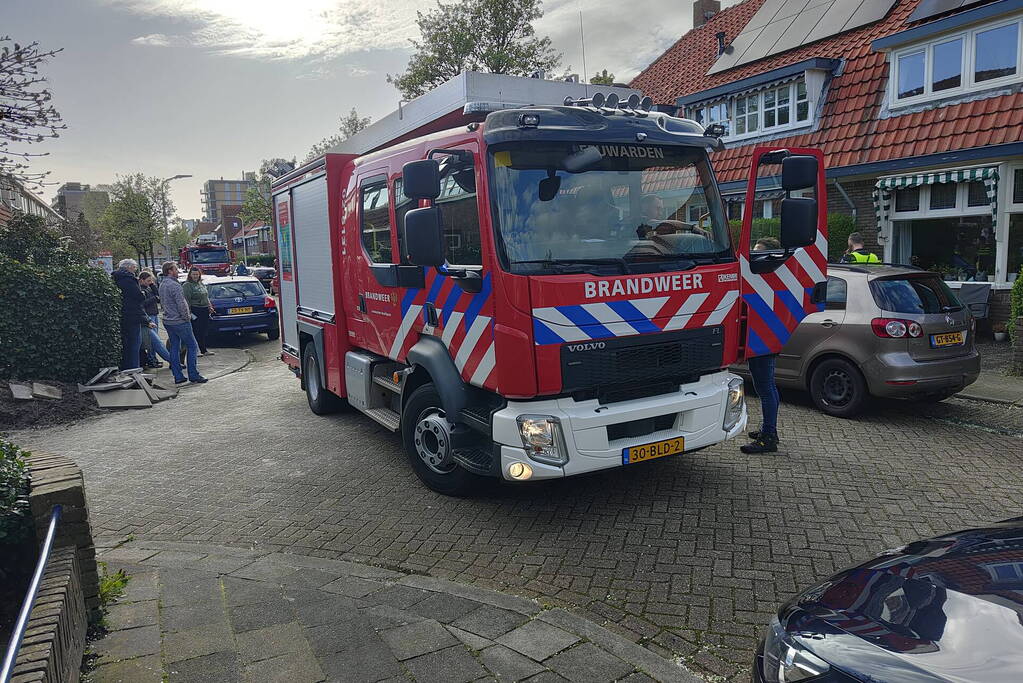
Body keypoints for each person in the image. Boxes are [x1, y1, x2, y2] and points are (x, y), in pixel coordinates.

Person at [742, 239, 781, 454]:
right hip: (764, 338)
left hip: (763, 340)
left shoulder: (764, 278)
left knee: (765, 388)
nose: (753, 256)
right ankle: (768, 429)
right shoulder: (769, 278)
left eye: (757, 253)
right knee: (766, 387)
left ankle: (769, 436)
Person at [159, 261, 207, 385]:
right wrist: (187, 317)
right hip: (179, 321)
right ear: (170, 271)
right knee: (192, 346)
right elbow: (181, 304)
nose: (177, 271)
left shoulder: (162, 284)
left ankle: (178, 376)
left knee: (174, 347)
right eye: (175, 269)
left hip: (168, 320)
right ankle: (193, 375)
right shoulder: (175, 285)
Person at [111, 259, 151, 371]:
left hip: (123, 314)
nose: (135, 270)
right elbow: (139, 296)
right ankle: (134, 370)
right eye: (134, 267)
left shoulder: (116, 278)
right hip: (133, 315)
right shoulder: (129, 279)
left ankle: (127, 368)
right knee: (135, 344)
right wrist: (144, 293)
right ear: (128, 267)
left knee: (127, 344)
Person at [138, 270, 172, 368]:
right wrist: (154, 298)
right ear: (141, 280)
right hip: (148, 315)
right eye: (148, 281)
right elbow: (143, 303)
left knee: (155, 339)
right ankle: (152, 359)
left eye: (151, 280)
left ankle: (154, 359)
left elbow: (158, 295)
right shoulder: (141, 290)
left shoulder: (149, 288)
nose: (150, 282)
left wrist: (152, 285)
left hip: (154, 313)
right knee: (153, 341)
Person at [183, 267, 216, 356]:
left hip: (204, 310)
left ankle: (204, 350)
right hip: (195, 310)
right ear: (190, 275)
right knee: (196, 331)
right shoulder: (187, 285)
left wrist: (210, 306)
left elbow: (206, 296)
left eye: (197, 274)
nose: (195, 276)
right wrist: (189, 312)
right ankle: (196, 350)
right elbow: (186, 300)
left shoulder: (201, 283)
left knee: (203, 330)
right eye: (193, 274)